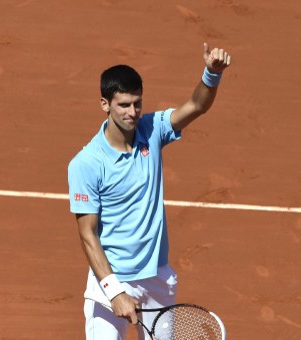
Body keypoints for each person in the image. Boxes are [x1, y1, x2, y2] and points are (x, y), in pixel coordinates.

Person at [67, 42, 231, 339]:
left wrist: (212, 74)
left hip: (157, 278)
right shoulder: (87, 163)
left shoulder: (152, 129)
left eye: (137, 103)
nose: (133, 112)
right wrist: (114, 291)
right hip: (112, 279)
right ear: (105, 104)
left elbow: (196, 105)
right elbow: (87, 234)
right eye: (124, 105)